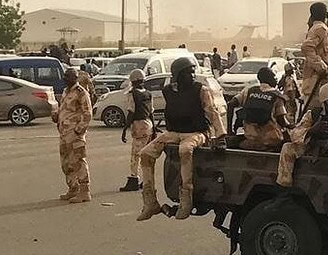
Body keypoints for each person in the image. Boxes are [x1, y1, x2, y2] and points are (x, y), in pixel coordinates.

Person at [136, 57, 227, 221]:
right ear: (178, 75)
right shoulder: (168, 91)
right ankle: (150, 202)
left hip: (197, 133)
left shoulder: (201, 90)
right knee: (145, 153)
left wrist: (220, 136)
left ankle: (186, 200)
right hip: (174, 132)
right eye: (188, 73)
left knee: (184, 150)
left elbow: (212, 112)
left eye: (193, 72)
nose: (192, 75)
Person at [276, 83, 328, 218]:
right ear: (327, 102)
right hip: (313, 148)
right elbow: (295, 134)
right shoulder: (313, 114)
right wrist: (312, 131)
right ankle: (283, 193)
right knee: (287, 147)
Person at [52, 67, 93, 203]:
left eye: (68, 76)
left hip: (74, 133)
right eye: (65, 76)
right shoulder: (66, 91)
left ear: (75, 78)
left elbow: (88, 113)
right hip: (64, 133)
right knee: (66, 163)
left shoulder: (81, 92)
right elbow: (64, 109)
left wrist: (79, 130)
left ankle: (84, 191)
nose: (65, 79)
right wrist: (56, 116)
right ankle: (73, 188)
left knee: (78, 161)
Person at [226, 67, 288, 151]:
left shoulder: (249, 91)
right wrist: (291, 126)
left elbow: (230, 104)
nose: (276, 79)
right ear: (268, 78)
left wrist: (230, 130)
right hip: (271, 141)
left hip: (250, 138)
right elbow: (282, 121)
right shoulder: (277, 96)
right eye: (274, 77)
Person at [119, 69, 154, 192]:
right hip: (148, 125)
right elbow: (151, 112)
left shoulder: (133, 94)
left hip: (138, 126)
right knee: (146, 155)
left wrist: (125, 129)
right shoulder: (148, 94)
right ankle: (146, 180)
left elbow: (131, 112)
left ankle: (134, 179)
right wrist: (154, 128)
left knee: (135, 156)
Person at [300, 2, 328, 109]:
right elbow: (307, 47)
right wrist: (321, 67)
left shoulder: (320, 29)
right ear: (326, 14)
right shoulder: (320, 29)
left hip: (321, 83)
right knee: (313, 114)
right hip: (315, 83)